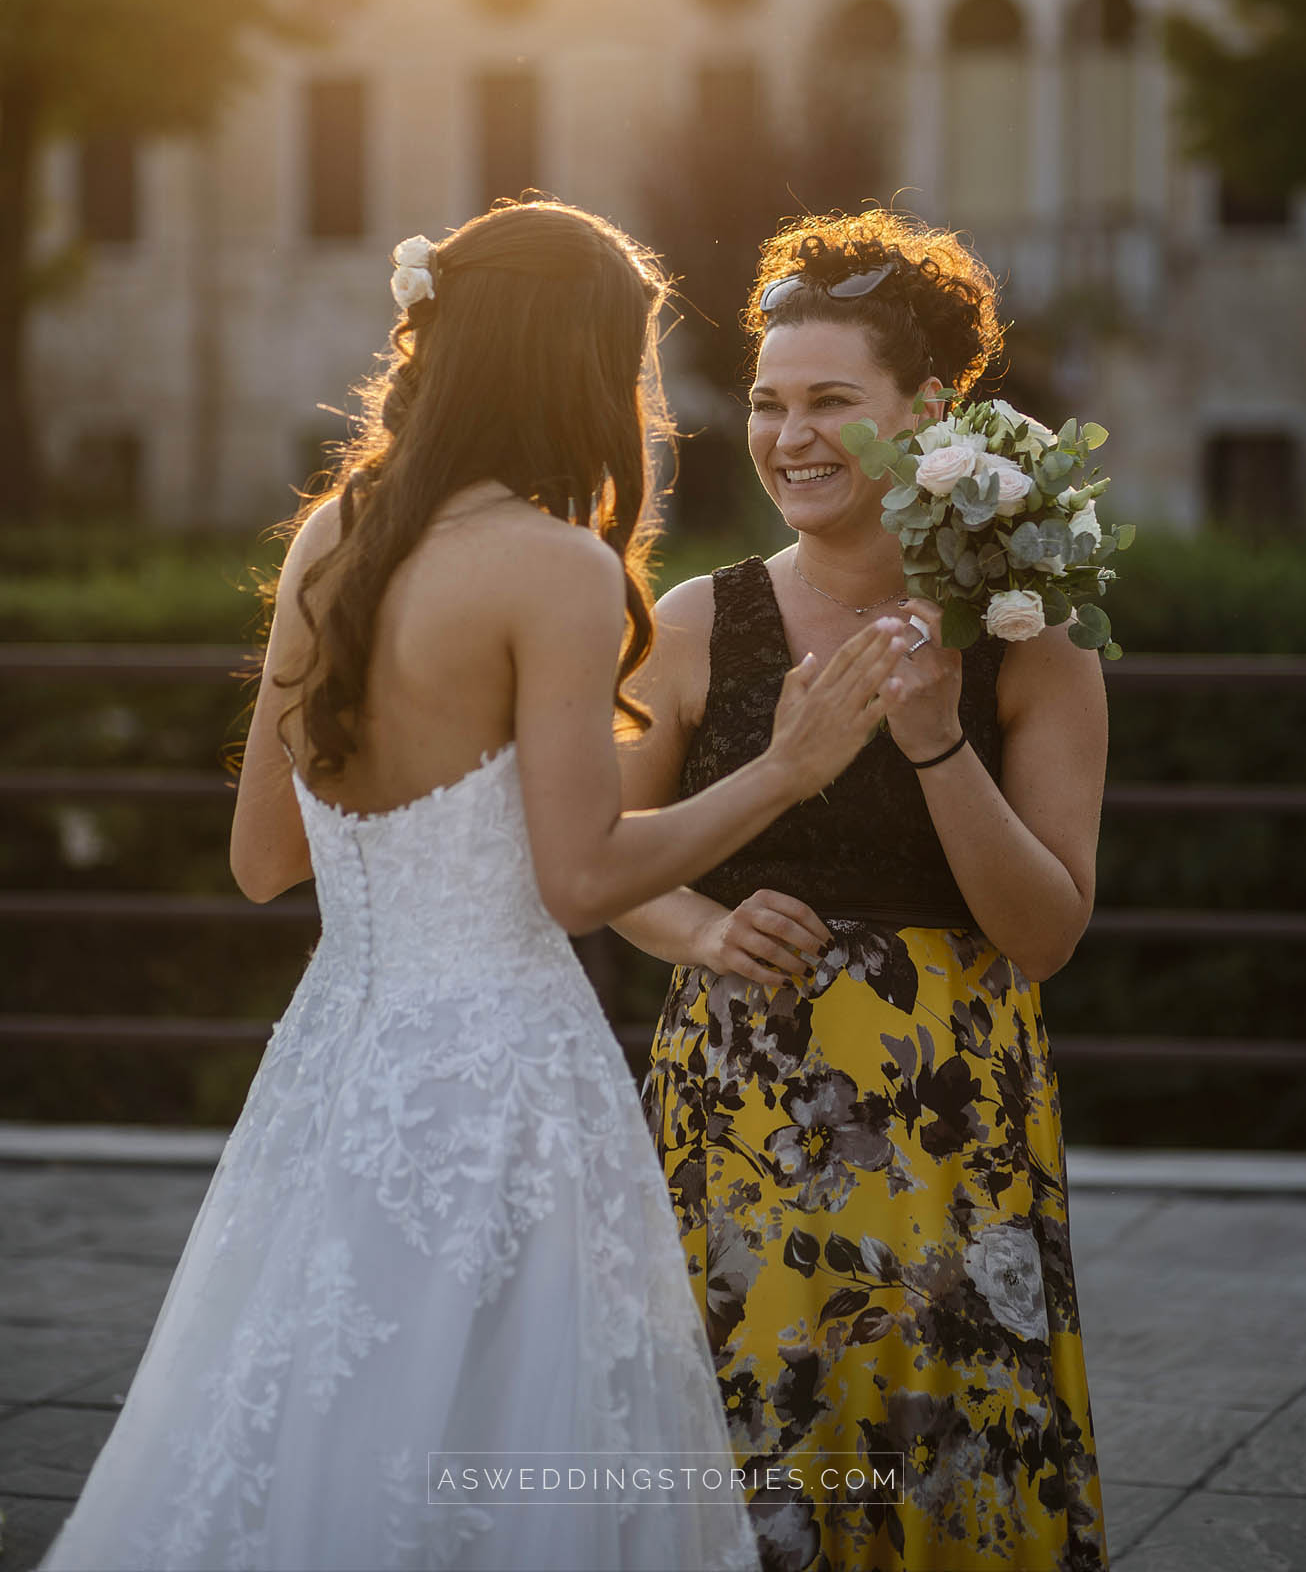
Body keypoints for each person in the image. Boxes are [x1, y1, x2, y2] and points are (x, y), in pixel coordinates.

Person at [37, 201, 904, 1572]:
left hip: (336, 1068)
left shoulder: (330, 537)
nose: (643, 402)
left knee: (312, 1419)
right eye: (629, 363)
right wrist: (785, 770)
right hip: (503, 1082)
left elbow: (262, 859)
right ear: (573, 365)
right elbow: (582, 879)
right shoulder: (556, 568)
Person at [617, 210, 1111, 1572]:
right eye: (768, 403)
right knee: (745, 1454)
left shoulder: (1031, 636)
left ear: (928, 415)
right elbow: (605, 859)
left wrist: (937, 739)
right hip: (740, 1105)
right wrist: (706, 924)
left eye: (831, 400)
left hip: (949, 1120)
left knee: (940, 1453)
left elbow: (1046, 933)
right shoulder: (693, 624)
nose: (790, 436)